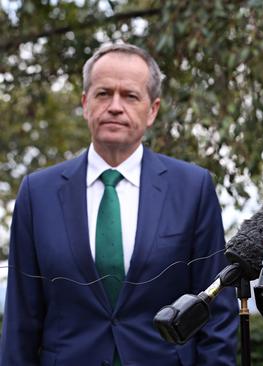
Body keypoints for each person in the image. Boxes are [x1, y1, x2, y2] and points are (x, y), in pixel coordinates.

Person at [0, 43, 239, 365]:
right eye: (103, 94)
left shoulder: (192, 189)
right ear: (85, 103)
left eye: (130, 95)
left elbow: (216, 312)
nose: (114, 106)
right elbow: (21, 317)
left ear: (152, 110)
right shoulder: (37, 193)